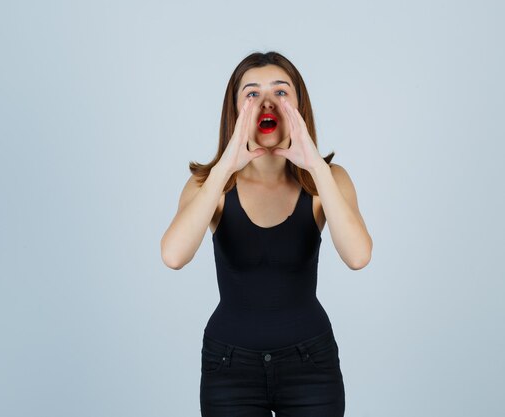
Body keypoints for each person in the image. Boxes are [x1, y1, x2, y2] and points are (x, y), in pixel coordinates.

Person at [160, 51, 373, 417]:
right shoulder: (207, 185)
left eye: (281, 91)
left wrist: (315, 166)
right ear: (235, 109)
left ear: (299, 107)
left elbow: (358, 256)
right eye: (252, 93)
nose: (267, 102)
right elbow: (173, 256)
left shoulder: (329, 180)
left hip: (311, 368)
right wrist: (226, 163)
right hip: (229, 368)